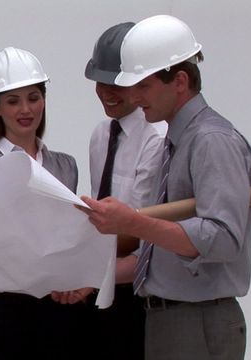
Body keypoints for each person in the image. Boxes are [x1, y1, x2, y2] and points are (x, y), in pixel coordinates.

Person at [77, 15, 251, 360]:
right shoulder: (180, 141)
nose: (134, 96)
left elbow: (221, 240)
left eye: (143, 85)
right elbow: (162, 252)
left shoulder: (211, 141)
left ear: (179, 81)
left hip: (197, 320)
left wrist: (131, 223)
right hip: (172, 317)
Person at [0, 47, 84, 360]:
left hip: (58, 305)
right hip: (0, 308)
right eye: (13, 101)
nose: (26, 109)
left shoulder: (65, 165)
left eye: (34, 97)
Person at [84, 21, 166, 359]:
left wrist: (79, 266)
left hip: (136, 293)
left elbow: (142, 232)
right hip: (99, 289)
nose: (108, 92)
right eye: (101, 82)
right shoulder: (101, 135)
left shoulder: (157, 138)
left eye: (120, 83)